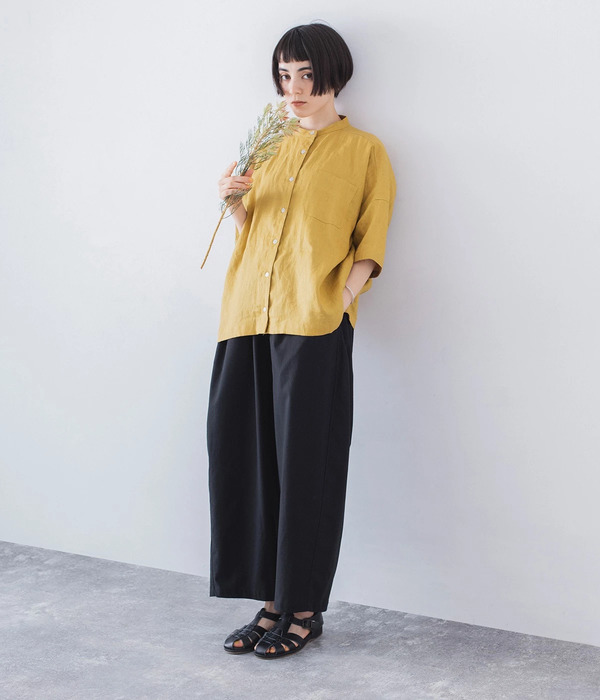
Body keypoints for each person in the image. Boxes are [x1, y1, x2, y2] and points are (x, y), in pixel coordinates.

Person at [206, 21, 396, 659]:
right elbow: (254, 233)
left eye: (307, 75)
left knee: (307, 466)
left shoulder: (365, 150)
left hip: (313, 324)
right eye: (285, 75)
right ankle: (269, 602)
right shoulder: (267, 144)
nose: (295, 88)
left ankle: (304, 611)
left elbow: (371, 239)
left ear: (334, 75)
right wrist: (233, 202)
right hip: (247, 318)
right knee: (247, 458)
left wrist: (341, 299)